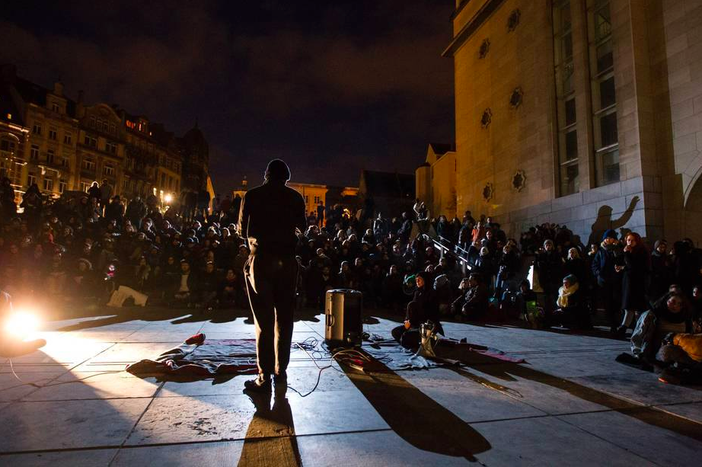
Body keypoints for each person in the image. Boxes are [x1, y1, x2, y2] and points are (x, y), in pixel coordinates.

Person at [238, 159, 306, 393]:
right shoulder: (296, 197)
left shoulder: (252, 195)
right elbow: (302, 228)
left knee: (263, 321)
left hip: (262, 260)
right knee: (285, 320)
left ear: (266, 174)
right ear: (287, 176)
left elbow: (241, 230)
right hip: (286, 262)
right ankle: (281, 372)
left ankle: (264, 376)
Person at [591, 229, 623, 333]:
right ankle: (612, 323)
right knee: (607, 302)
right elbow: (595, 264)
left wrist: (617, 248)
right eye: (607, 238)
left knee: (615, 301)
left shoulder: (617, 249)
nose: (608, 240)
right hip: (604, 281)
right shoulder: (601, 250)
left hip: (615, 279)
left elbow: (621, 259)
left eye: (610, 238)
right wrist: (598, 273)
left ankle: (616, 321)